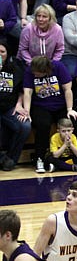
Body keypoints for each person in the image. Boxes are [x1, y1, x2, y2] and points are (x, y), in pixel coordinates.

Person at [22, 55, 77, 173]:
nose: (34, 75)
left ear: (45, 71)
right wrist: (26, 111)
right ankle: (40, 159)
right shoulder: (30, 70)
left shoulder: (58, 67)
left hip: (61, 105)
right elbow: (27, 92)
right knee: (42, 125)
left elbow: (68, 89)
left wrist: (69, 109)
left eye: (37, 73)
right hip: (41, 106)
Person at [0, 37, 30, 172]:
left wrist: (19, 104)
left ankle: (11, 159)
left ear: (7, 54)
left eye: (2, 52)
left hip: (9, 109)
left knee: (24, 125)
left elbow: (21, 91)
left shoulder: (15, 69)